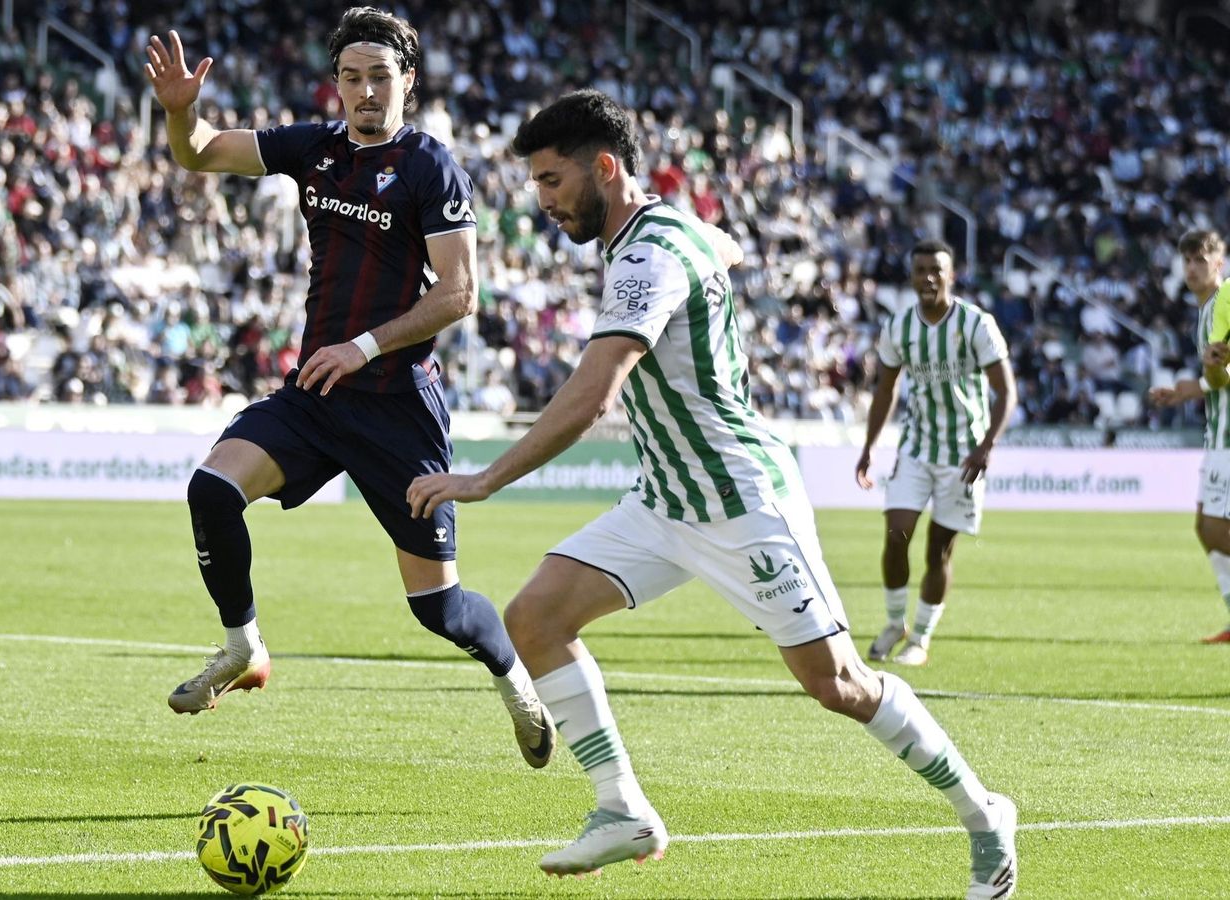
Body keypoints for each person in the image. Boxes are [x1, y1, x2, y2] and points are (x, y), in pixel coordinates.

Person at [407, 91, 1016, 897]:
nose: (543, 202)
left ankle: (984, 816)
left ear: (606, 168)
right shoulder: (663, 230)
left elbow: (593, 396)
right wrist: (717, 250)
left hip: (739, 498)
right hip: (665, 498)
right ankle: (622, 808)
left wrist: (483, 478)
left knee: (838, 684)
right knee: (535, 618)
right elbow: (723, 246)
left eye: (552, 182)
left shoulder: (647, 257)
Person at [142, 7, 553, 766]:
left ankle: (516, 682)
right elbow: (197, 153)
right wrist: (181, 111)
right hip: (316, 396)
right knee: (211, 489)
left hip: (397, 407)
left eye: (382, 78)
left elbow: (461, 294)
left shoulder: (430, 166)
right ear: (336, 85)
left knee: (440, 611)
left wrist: (362, 348)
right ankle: (243, 648)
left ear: (409, 84)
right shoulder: (313, 149)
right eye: (353, 78)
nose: (367, 92)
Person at [855, 240, 1017, 666]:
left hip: (963, 454)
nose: (927, 277)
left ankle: (920, 638)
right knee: (896, 536)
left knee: (938, 551)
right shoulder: (898, 327)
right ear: (910, 276)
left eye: (936, 270)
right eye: (920, 269)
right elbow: (886, 390)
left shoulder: (976, 323)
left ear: (952, 275)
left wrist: (987, 445)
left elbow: (1006, 392)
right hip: (916, 447)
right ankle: (894, 622)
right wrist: (870, 446)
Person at [1149, 229, 1230, 643]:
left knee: (1216, 527)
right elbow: (1219, 376)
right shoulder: (1205, 311)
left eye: (1202, 259)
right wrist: (1189, 389)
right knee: (1204, 526)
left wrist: (1205, 379)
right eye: (1188, 261)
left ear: (1220, 262)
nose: (1193, 268)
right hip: (1216, 435)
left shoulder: (1225, 305)